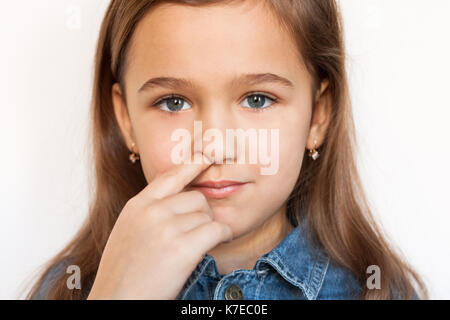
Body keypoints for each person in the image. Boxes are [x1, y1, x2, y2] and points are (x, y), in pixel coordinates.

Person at [28, 0, 427, 300]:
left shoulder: (377, 290)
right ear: (126, 121)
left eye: (256, 99)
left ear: (318, 115)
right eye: (173, 102)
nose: (215, 145)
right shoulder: (72, 287)